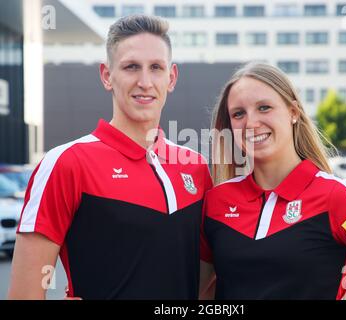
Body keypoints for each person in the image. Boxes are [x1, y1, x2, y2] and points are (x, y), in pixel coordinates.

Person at [8, 14, 212, 300]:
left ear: (171, 77)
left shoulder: (197, 167)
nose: (144, 81)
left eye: (156, 67)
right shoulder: (66, 163)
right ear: (107, 76)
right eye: (131, 67)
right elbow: (25, 294)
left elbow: (207, 280)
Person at [199, 62, 346, 300]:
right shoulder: (216, 201)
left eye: (264, 108)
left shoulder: (338, 197)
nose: (251, 123)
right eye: (238, 114)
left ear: (293, 112)